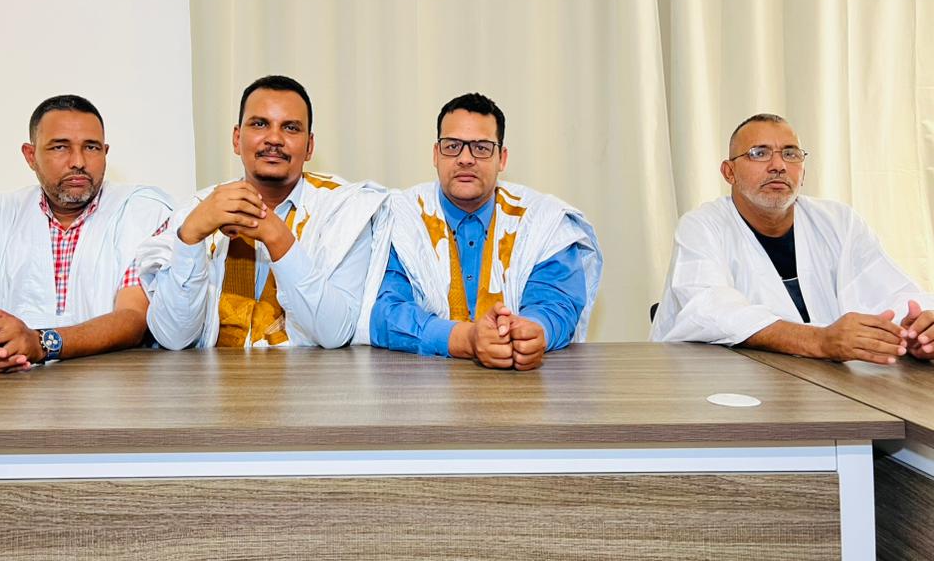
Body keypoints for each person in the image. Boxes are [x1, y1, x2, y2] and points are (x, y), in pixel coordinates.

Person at [652, 113, 934, 363]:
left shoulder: (839, 222)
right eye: (759, 153)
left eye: (790, 154)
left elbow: (890, 293)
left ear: (803, 171)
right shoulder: (702, 226)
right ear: (729, 172)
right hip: (727, 386)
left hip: (831, 385)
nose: (778, 165)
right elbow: (709, 310)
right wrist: (819, 341)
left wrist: (914, 332)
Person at [138, 75, 389, 349]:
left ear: (309, 147)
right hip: (212, 376)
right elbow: (173, 338)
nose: (274, 139)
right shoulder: (198, 209)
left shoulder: (345, 210)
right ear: (237, 139)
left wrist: (276, 236)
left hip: (307, 375)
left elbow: (335, 333)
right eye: (259, 124)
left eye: (290, 128)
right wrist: (190, 237)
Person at [368, 93, 602, 370]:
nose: (465, 159)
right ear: (436, 154)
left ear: (502, 158)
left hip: (521, 386)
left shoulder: (544, 220)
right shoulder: (401, 217)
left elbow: (556, 302)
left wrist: (530, 332)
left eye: (481, 148)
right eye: (452, 146)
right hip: (423, 385)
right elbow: (386, 312)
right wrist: (464, 339)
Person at [0, 95, 174, 372]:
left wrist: (42, 343)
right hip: (17, 390)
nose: (78, 161)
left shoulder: (140, 212)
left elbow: (134, 318)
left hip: (115, 387)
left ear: (105, 152)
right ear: (30, 156)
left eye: (91, 147)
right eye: (60, 147)